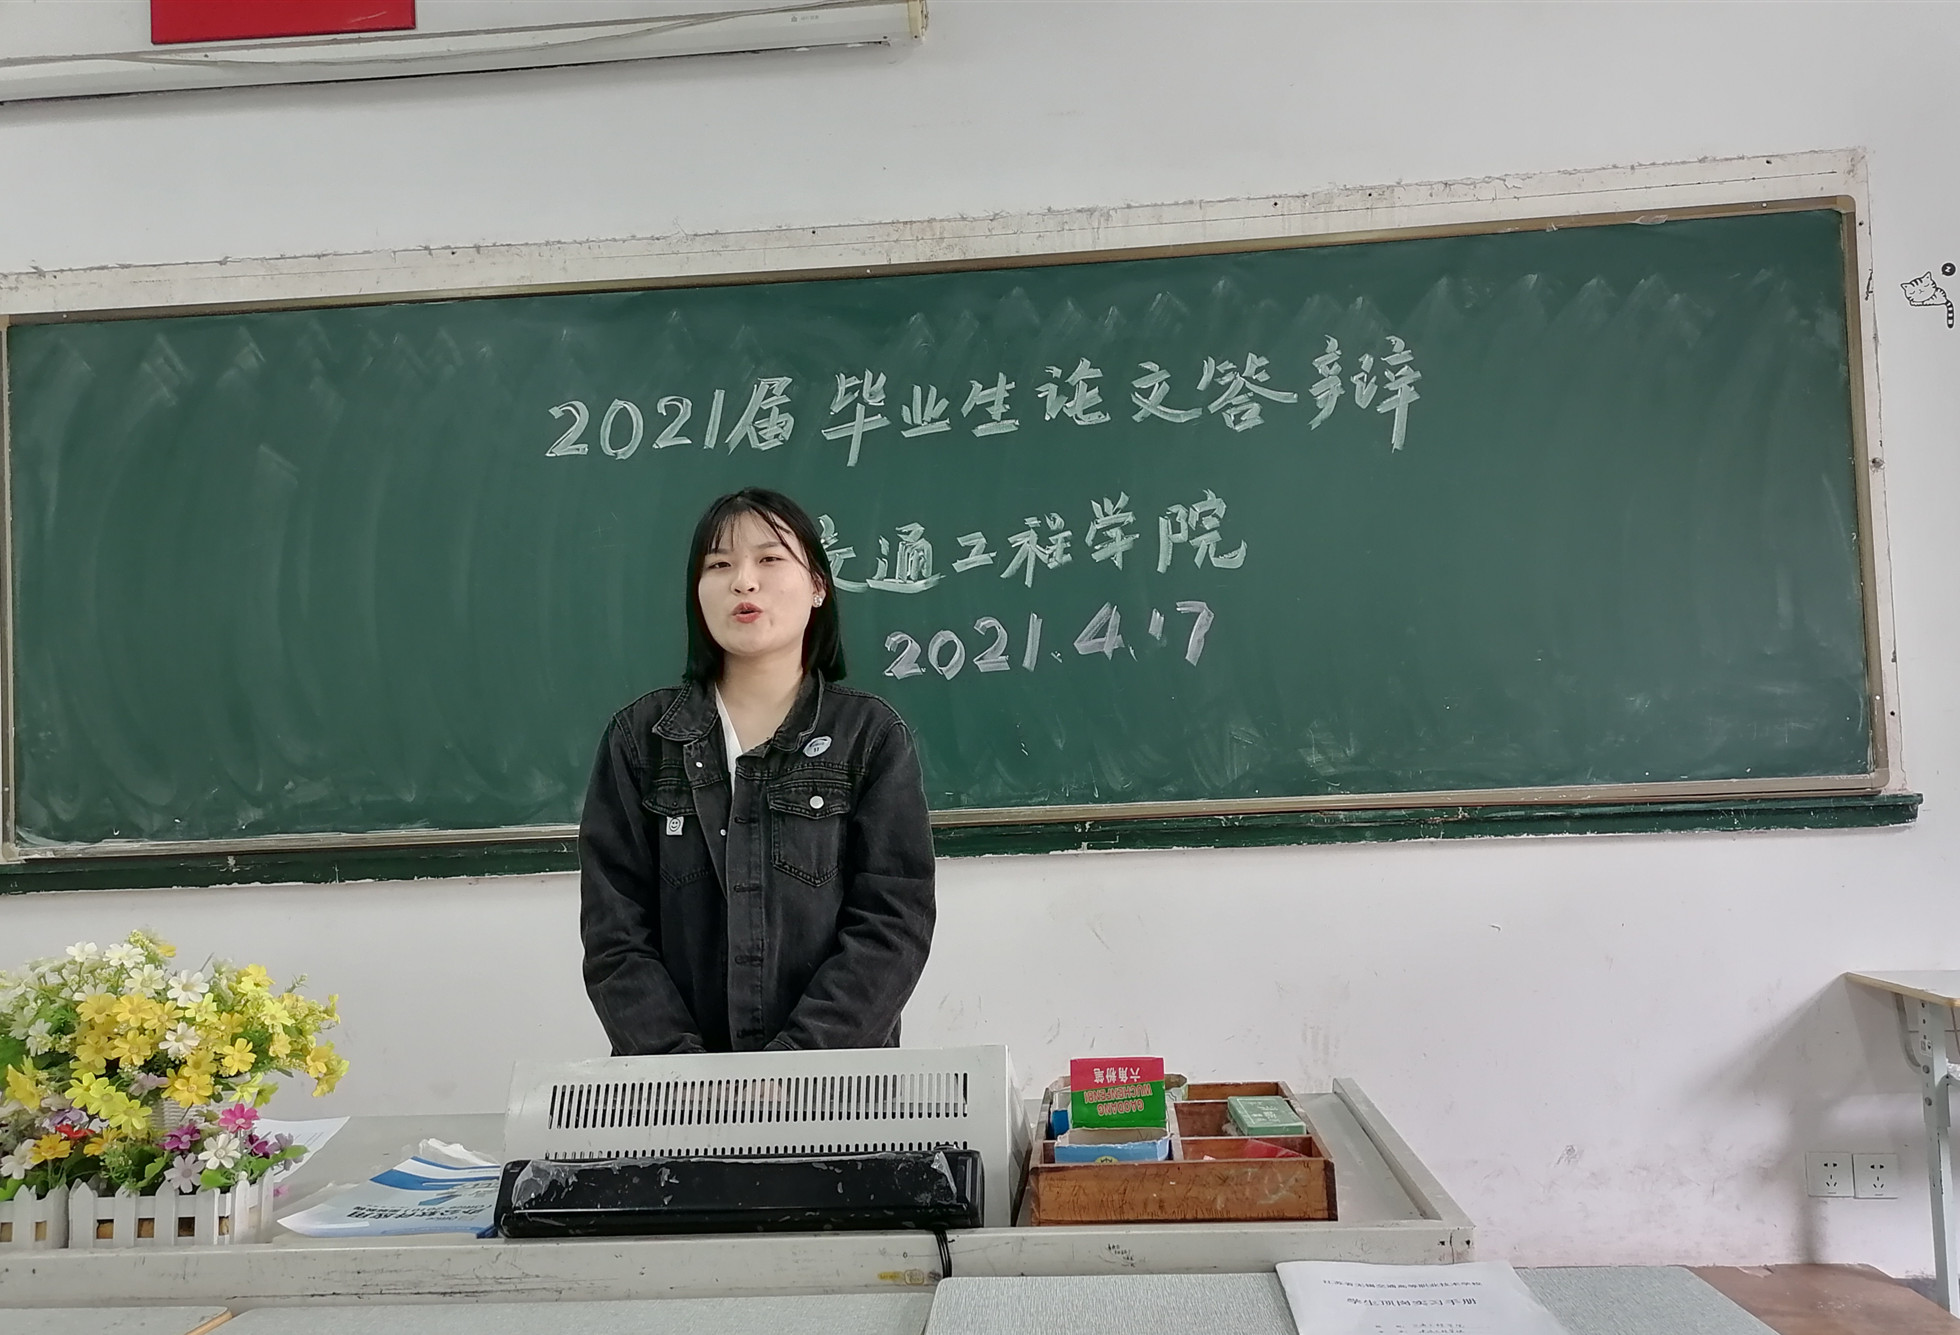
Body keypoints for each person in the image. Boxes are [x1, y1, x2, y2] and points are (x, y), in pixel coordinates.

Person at [579, 488, 935, 1054]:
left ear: (817, 585)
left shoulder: (869, 737)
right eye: (719, 565)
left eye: (769, 558)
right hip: (675, 1094)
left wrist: (792, 1068)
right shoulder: (640, 740)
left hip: (835, 1089)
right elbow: (614, 936)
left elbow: (893, 925)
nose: (743, 581)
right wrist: (686, 1077)